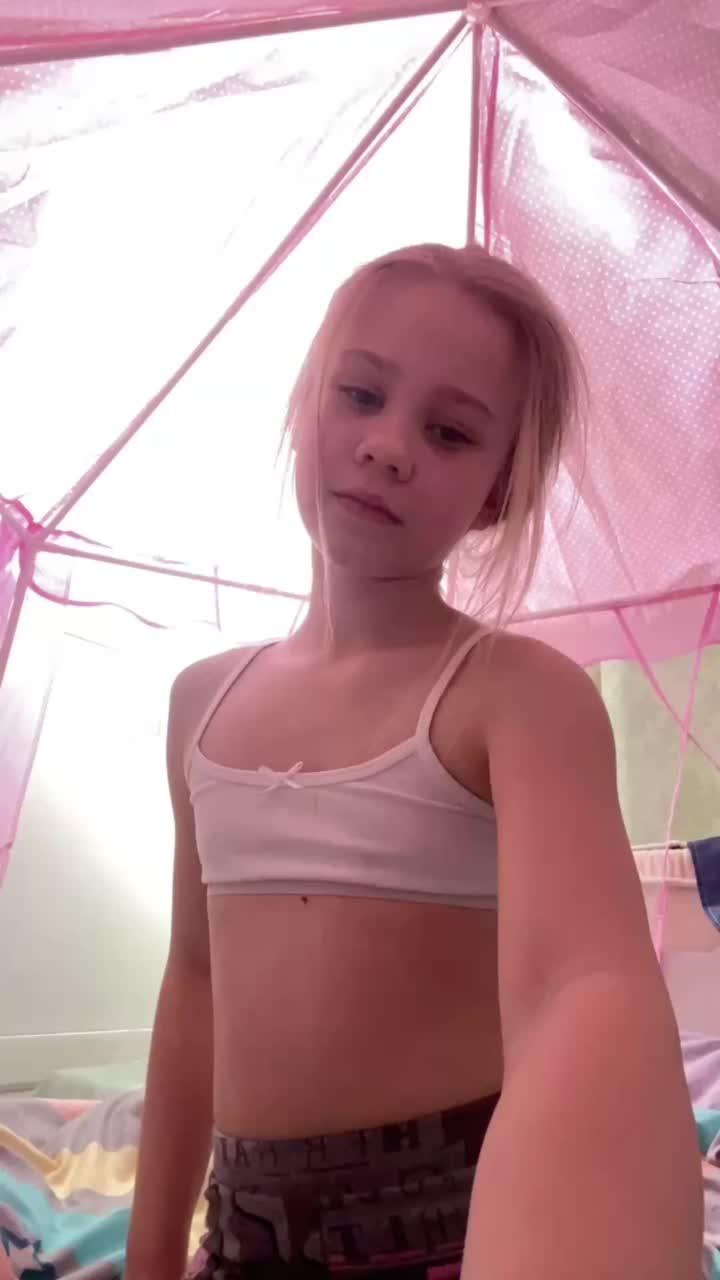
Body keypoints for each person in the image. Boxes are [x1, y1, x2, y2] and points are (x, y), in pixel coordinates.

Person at [124, 244, 702, 1280]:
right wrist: (150, 1255)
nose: (389, 446)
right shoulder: (198, 703)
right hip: (241, 1236)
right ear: (304, 403)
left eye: (449, 432)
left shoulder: (516, 694)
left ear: (495, 494)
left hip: (458, 1230)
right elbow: (195, 980)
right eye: (360, 394)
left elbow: (582, 984)